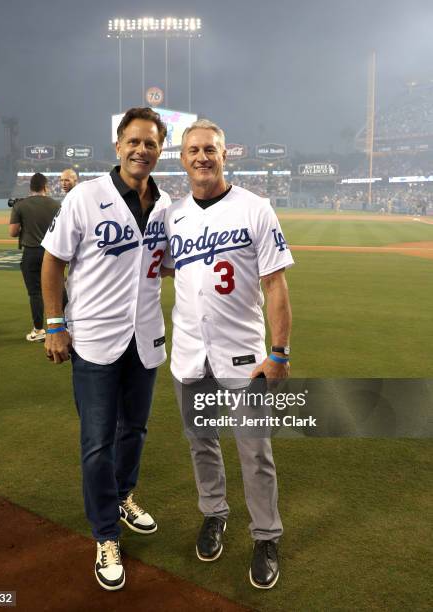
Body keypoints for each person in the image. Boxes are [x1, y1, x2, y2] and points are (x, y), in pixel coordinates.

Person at [41, 107, 170, 591]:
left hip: (146, 337)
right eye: (133, 141)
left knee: (134, 429)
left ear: (160, 150)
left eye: (151, 143)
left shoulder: (166, 204)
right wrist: (55, 324)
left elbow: (170, 264)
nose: (141, 150)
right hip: (93, 338)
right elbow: (53, 261)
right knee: (97, 442)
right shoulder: (85, 196)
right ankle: (105, 535)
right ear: (117, 146)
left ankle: (123, 495)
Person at [163, 119, 294, 590]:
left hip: (243, 357)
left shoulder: (255, 209)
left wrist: (278, 352)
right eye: (193, 149)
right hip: (189, 355)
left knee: (254, 452)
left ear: (224, 155)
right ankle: (214, 514)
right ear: (182, 158)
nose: (202, 156)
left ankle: (265, 536)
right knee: (201, 443)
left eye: (210, 150)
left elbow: (275, 284)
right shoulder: (172, 215)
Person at [9, 172, 60, 342]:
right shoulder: (56, 204)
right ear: (45, 186)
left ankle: (39, 330)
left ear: (30, 187)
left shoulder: (20, 205)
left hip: (31, 252)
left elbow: (13, 232)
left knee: (35, 292)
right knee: (59, 289)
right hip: (52, 252)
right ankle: (67, 325)